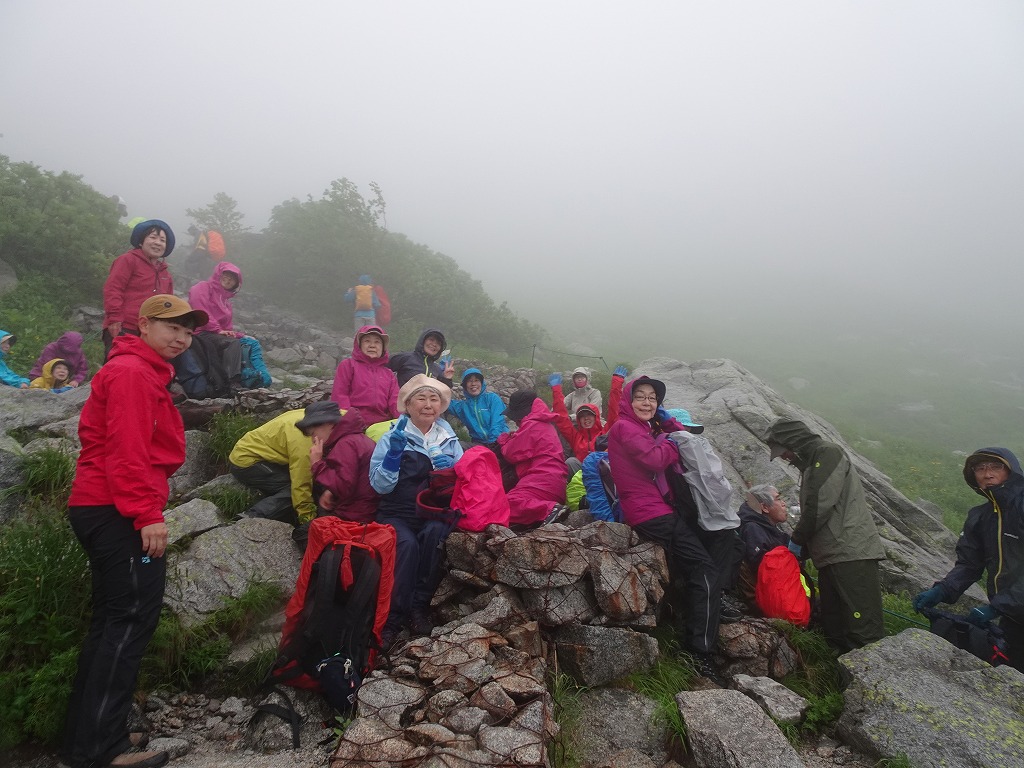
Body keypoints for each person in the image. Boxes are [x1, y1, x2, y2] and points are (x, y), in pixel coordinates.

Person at [62, 294, 207, 768]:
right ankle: (102, 750)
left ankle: (85, 741)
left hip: (101, 505)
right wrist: (146, 514)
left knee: (111, 622)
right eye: (172, 327)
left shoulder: (141, 371)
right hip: (116, 509)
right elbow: (127, 451)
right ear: (143, 324)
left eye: (187, 331)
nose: (181, 337)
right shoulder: (132, 373)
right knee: (129, 621)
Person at [607, 376, 733, 682]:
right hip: (652, 513)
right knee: (704, 568)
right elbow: (654, 459)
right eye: (640, 396)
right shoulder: (624, 427)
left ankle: (713, 602)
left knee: (717, 541)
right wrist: (669, 443)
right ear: (628, 401)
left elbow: (681, 434)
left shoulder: (642, 427)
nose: (648, 402)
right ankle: (700, 652)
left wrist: (666, 424)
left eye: (653, 398)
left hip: (658, 510)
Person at [765, 417, 886, 653]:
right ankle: (842, 673)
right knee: (835, 625)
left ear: (795, 441)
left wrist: (797, 541)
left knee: (862, 629)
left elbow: (819, 505)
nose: (784, 457)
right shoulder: (811, 464)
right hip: (832, 555)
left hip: (850, 552)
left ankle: (871, 675)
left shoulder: (828, 453)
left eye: (784, 451)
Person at [370, 374, 464, 645]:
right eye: (421, 398)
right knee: (407, 545)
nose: (428, 404)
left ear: (440, 407)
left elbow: (464, 482)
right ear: (408, 405)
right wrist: (392, 457)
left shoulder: (449, 439)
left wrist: (452, 471)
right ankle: (392, 618)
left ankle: (418, 607)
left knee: (435, 536)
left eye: (434, 399)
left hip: (433, 511)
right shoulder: (393, 437)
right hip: (397, 512)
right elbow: (380, 486)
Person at [912, 448, 1024, 671]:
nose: (987, 474)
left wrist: (999, 607)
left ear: (1011, 470)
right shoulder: (980, 516)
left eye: (996, 467)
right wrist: (942, 590)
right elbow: (970, 564)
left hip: (1009, 607)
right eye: (980, 468)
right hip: (1014, 618)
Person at [228, 409, 317, 525]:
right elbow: (301, 484)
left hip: (261, 453)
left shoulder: (314, 416)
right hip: (247, 460)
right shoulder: (306, 439)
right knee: (293, 490)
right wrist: (308, 520)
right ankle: (250, 518)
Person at [102, 220, 175, 361]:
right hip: (124, 327)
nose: (158, 243)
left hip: (150, 332)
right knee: (119, 366)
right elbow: (113, 289)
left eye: (162, 240)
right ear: (141, 241)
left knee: (144, 369)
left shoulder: (165, 274)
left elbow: (168, 304)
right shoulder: (128, 260)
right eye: (153, 237)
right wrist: (114, 318)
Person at [496, 391, 569, 526]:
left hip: (542, 480)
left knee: (504, 505)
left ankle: (549, 510)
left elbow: (510, 453)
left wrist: (504, 439)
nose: (515, 421)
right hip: (554, 482)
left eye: (516, 417)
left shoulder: (532, 425)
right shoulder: (543, 423)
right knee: (512, 504)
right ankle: (542, 513)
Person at [303, 402, 379, 524]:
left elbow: (344, 486)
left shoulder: (345, 444)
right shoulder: (356, 438)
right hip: (368, 510)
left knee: (303, 532)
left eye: (313, 433)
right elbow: (352, 478)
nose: (313, 439)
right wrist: (331, 491)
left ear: (329, 423)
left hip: (355, 516)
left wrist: (317, 464)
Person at [549, 366, 626, 469]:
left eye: (589, 415)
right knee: (570, 461)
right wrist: (556, 390)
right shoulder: (576, 438)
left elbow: (614, 410)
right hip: (582, 473)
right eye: (582, 416)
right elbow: (561, 417)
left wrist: (617, 382)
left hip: (602, 471)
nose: (586, 418)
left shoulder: (605, 433)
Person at [187, 261, 248, 391]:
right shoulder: (202, 287)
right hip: (199, 331)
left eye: (232, 279)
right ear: (218, 274)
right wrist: (217, 330)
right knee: (232, 343)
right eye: (226, 275)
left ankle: (249, 379)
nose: (228, 280)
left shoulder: (226, 303)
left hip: (215, 333)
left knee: (243, 342)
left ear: (236, 284)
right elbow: (200, 310)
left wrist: (240, 335)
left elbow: (227, 328)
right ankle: (232, 382)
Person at [736, 484, 795, 609]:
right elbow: (764, 569)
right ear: (764, 507)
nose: (784, 504)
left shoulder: (769, 529)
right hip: (769, 598)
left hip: (778, 593)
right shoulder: (752, 529)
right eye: (778, 499)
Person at [330, 325, 399, 425]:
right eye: (367, 341)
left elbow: (395, 402)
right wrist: (349, 420)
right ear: (359, 345)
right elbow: (340, 395)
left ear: (383, 348)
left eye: (377, 342)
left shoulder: (389, 374)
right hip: (353, 423)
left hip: (381, 424)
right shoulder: (348, 365)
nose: (372, 345)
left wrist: (403, 421)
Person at [446, 368, 508, 445]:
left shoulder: (492, 398)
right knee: (456, 446)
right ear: (465, 385)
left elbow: (498, 422)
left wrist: (493, 443)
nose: (473, 384)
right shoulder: (462, 407)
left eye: (476, 380)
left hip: (501, 442)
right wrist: (446, 380)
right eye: (469, 381)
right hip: (479, 444)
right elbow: (443, 401)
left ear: (482, 383)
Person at [388, 328, 454, 388]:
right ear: (423, 341)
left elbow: (444, 392)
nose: (434, 344)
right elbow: (383, 367)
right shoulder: (405, 358)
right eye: (431, 340)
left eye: (438, 343)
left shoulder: (437, 369)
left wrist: (447, 379)